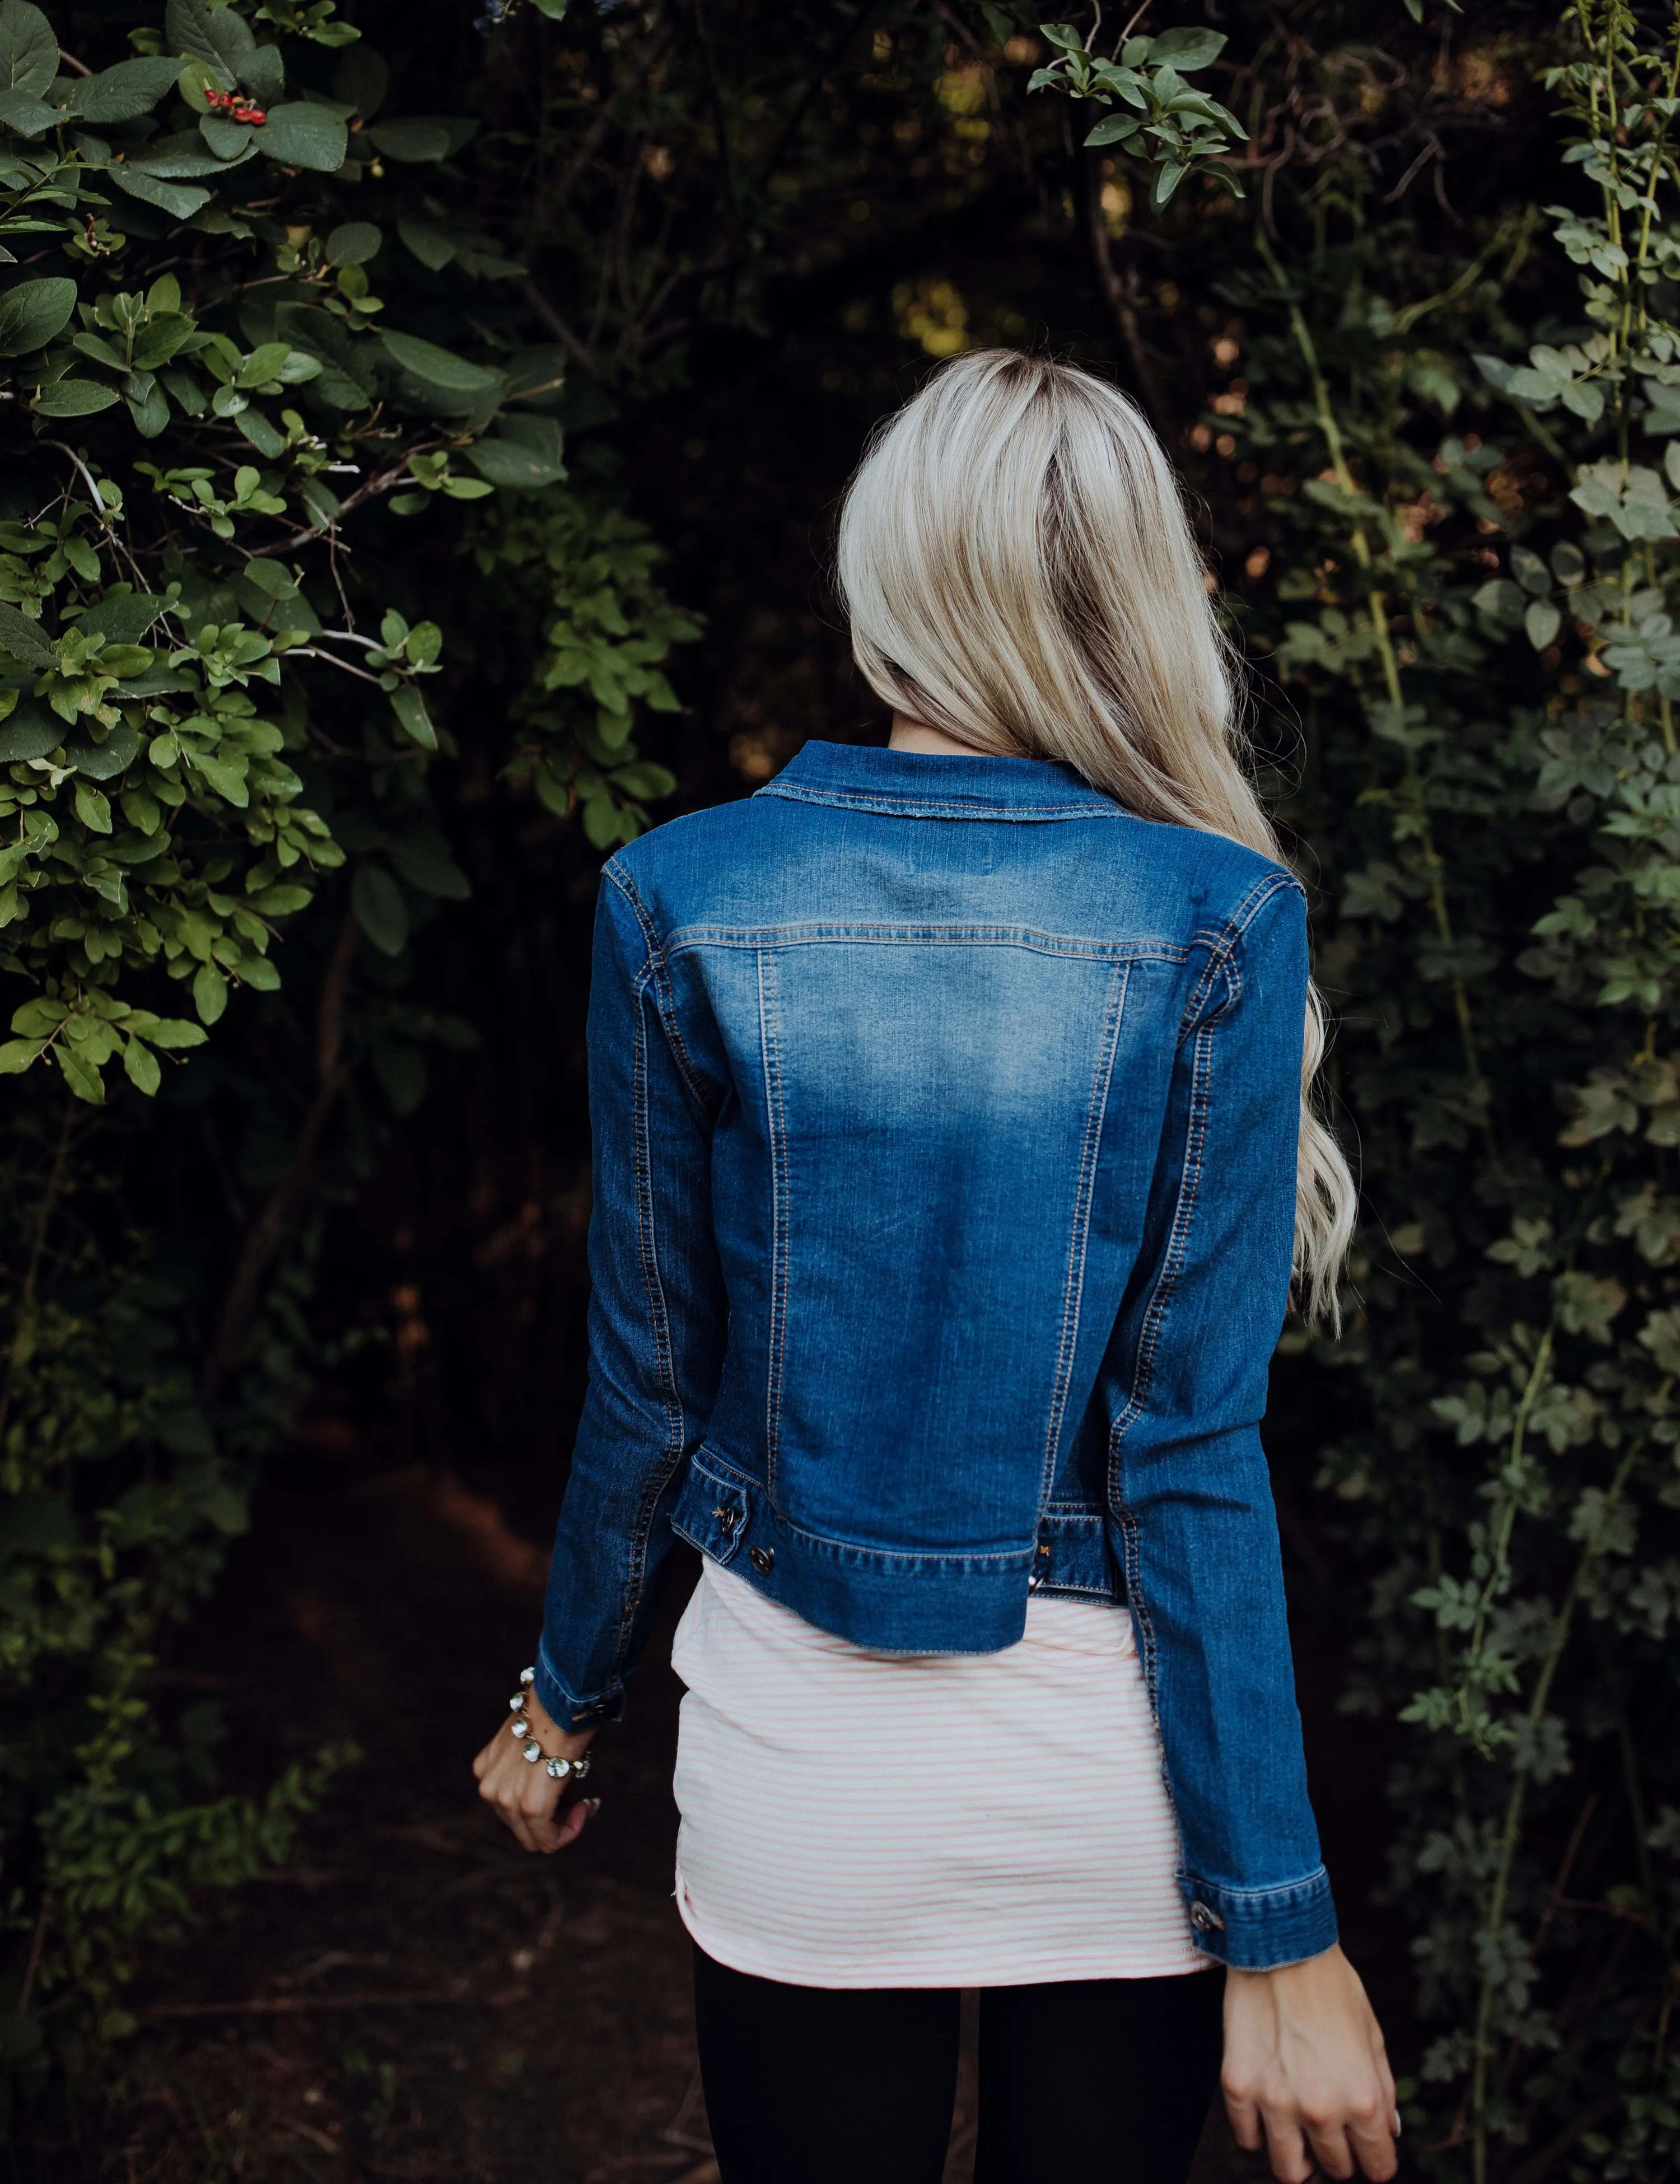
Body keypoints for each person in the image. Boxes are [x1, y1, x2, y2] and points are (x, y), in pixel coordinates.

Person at [474, 348, 1398, 2184]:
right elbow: (1188, 1456)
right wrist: (1278, 1915)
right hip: (1113, 1800)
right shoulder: (1221, 917)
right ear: (1135, 587)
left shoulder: (683, 894)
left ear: (883, 566)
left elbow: (649, 1383)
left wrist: (560, 1703)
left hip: (808, 1786)